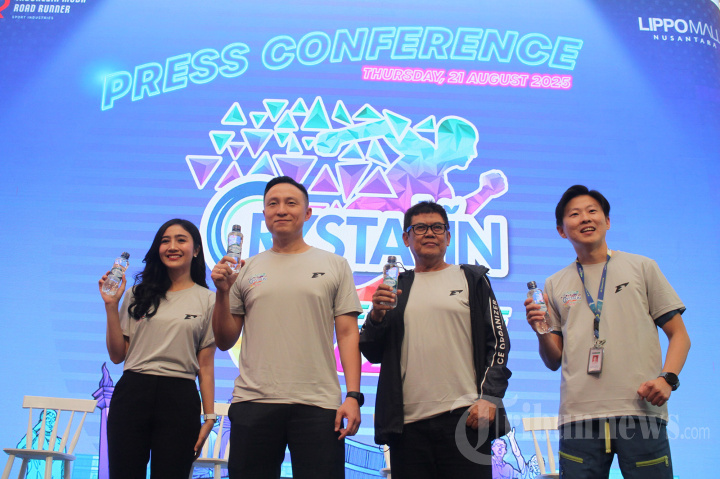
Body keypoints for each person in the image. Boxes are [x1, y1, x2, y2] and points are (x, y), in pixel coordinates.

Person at [525, 185, 691, 478]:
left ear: (607, 221)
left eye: (592, 211)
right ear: (561, 230)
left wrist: (668, 379)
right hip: (579, 417)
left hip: (640, 410)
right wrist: (540, 330)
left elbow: (679, 335)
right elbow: (553, 361)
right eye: (574, 214)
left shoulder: (642, 267)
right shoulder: (554, 283)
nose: (585, 218)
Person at [211, 176, 363, 479]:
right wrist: (222, 292)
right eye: (273, 204)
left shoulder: (335, 265)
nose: (281, 210)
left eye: (290, 203)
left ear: (307, 213)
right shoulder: (244, 269)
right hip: (254, 401)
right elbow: (225, 340)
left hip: (318, 403)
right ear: (264, 214)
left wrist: (353, 396)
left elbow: (347, 333)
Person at [359, 200, 511, 479]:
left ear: (448, 237)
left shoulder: (471, 278)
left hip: (466, 418)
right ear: (406, 238)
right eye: (420, 228)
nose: (429, 233)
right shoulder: (396, 287)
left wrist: (490, 397)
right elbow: (372, 351)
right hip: (407, 426)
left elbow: (499, 342)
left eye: (437, 227)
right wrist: (377, 316)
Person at [99, 219, 216, 479]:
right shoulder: (136, 293)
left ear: (196, 250)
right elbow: (117, 356)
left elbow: (206, 365)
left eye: (181, 240)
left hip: (180, 396)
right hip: (133, 392)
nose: (172, 246)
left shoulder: (209, 300)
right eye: (165, 241)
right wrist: (110, 306)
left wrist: (210, 416)